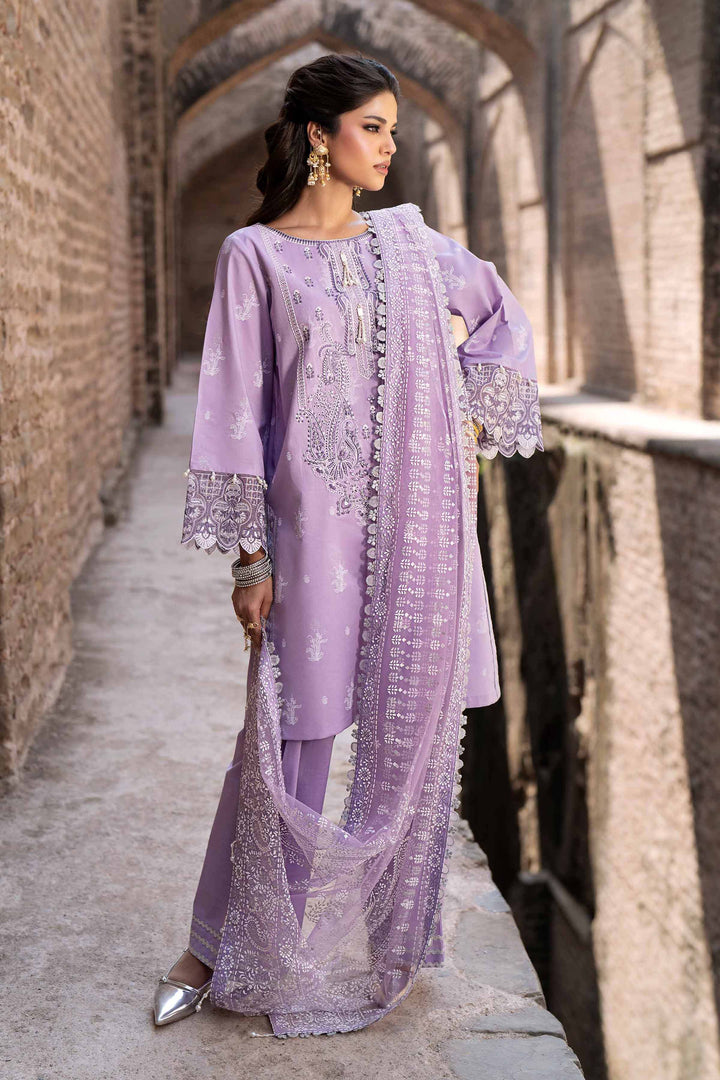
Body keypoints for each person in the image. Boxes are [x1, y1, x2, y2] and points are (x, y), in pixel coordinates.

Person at [153, 52, 544, 1038]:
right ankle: (219, 947)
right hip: (310, 537)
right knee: (288, 742)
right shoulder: (254, 257)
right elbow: (236, 412)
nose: (388, 147)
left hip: (420, 534)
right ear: (320, 136)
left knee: (408, 738)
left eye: (394, 130)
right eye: (372, 127)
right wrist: (251, 559)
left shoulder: (409, 244)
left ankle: (389, 937)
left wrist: (457, 410)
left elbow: (499, 314)